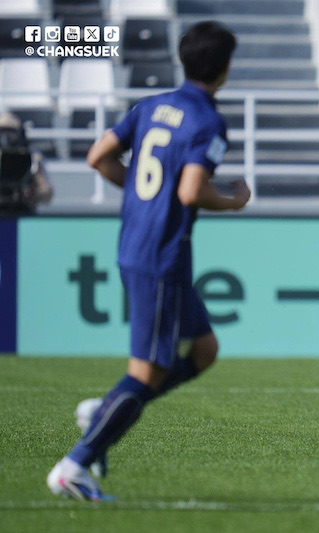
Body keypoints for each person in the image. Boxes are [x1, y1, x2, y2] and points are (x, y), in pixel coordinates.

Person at [46, 21, 250, 501]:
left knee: (204, 351)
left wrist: (144, 196)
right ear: (223, 68)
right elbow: (191, 190)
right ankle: (73, 467)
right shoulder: (208, 119)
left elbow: (98, 156)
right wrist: (233, 199)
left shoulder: (151, 106)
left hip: (138, 242)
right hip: (161, 252)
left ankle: (108, 409)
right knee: (147, 373)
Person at [0, 111, 53, 214]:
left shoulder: (33, 155)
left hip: (24, 211)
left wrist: (32, 193)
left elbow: (47, 193)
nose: (7, 137)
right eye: (3, 131)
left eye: (11, 132)